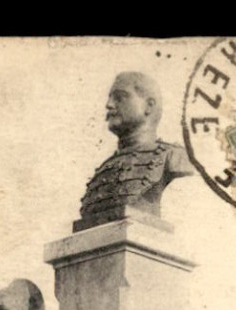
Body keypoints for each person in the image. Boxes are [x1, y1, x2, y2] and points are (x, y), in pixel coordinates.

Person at [77, 71, 193, 228]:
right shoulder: (104, 169)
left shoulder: (175, 157)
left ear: (149, 106)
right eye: (110, 98)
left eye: (120, 97)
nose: (109, 105)